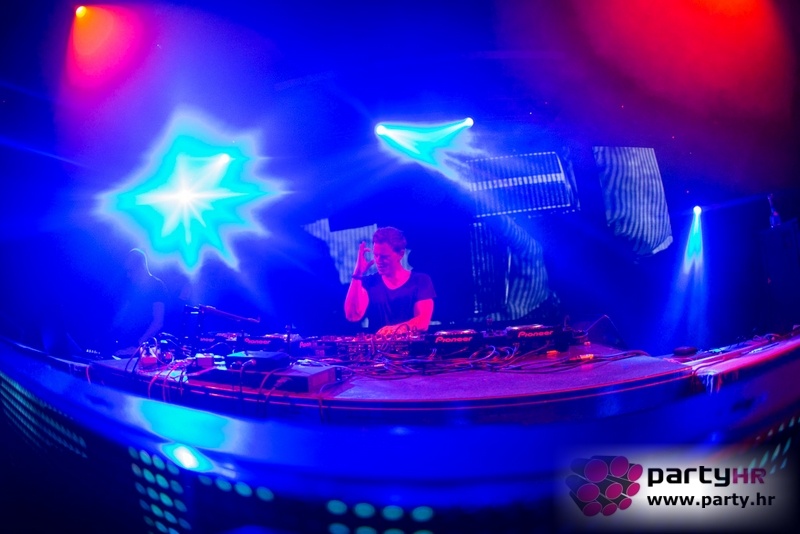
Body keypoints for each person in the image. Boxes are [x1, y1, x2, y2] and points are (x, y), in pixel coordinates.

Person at [344, 227, 435, 335]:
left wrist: (395, 330)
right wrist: (357, 273)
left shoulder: (420, 281)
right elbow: (352, 316)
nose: (378, 261)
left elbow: (423, 321)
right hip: (376, 346)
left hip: (412, 346)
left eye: (384, 257)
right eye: (376, 255)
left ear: (400, 254)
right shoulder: (369, 283)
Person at [110, 248, 167, 355]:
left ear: (141, 267)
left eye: (130, 271)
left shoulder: (157, 286)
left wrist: (138, 345)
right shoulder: (133, 288)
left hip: (145, 349)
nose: (128, 275)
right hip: (128, 344)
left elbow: (158, 322)